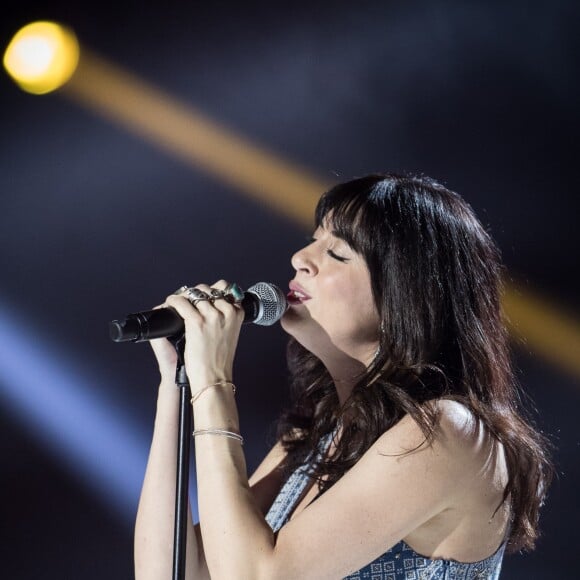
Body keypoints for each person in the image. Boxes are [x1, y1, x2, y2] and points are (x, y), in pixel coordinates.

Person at [134, 173, 553, 579]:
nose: (301, 259)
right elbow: (172, 573)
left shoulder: (449, 432)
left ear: (406, 295)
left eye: (337, 253)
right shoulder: (317, 436)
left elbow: (258, 575)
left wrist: (214, 384)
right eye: (315, 239)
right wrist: (178, 379)